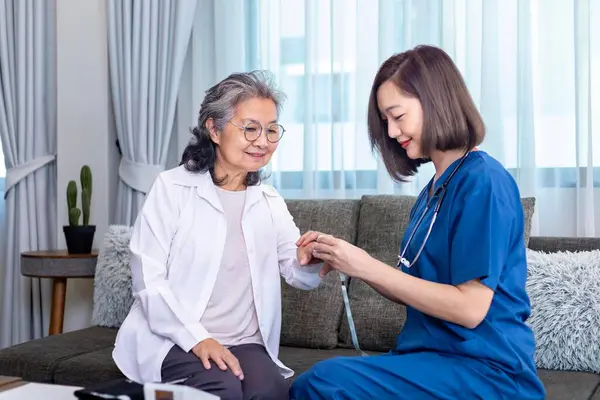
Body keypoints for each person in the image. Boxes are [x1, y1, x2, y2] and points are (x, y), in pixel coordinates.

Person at [289, 45, 546, 399]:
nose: (392, 132)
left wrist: (365, 266)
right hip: (431, 360)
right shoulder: (431, 194)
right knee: (319, 381)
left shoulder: (483, 182)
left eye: (398, 116)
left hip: (486, 372)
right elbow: (414, 288)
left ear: (435, 101)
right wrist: (346, 259)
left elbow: (470, 309)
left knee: (323, 383)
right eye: (385, 122)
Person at [112, 70, 325, 400]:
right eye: (250, 128)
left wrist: (309, 260)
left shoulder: (268, 202)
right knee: (221, 387)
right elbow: (148, 282)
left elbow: (297, 273)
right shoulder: (172, 188)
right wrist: (198, 338)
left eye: (271, 130)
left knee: (271, 391)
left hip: (244, 341)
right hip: (175, 336)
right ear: (214, 128)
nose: (263, 141)